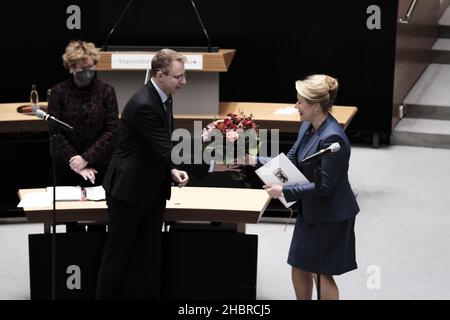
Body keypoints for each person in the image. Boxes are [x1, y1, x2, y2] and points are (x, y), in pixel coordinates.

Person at [248, 74, 359, 300]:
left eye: (300, 102)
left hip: (331, 214)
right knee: (299, 265)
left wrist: (284, 191)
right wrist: (252, 160)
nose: (296, 106)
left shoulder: (333, 139)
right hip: (312, 211)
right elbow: (289, 162)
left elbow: (324, 187)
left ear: (316, 106)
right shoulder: (307, 127)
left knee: (321, 273)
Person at [95, 49, 191, 300]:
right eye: (179, 77)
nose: (184, 81)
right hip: (129, 191)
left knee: (149, 255)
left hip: (152, 188)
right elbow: (167, 146)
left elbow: (156, 146)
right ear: (160, 75)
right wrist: (213, 161)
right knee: (117, 256)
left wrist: (171, 168)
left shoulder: (165, 96)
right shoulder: (144, 104)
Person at [47, 40, 119, 232]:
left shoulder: (106, 91)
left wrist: (86, 159)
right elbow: (56, 131)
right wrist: (76, 163)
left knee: (99, 222)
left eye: (91, 67)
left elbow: (112, 131)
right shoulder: (58, 92)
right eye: (82, 68)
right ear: (71, 67)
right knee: (72, 223)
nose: (88, 72)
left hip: (99, 167)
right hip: (68, 167)